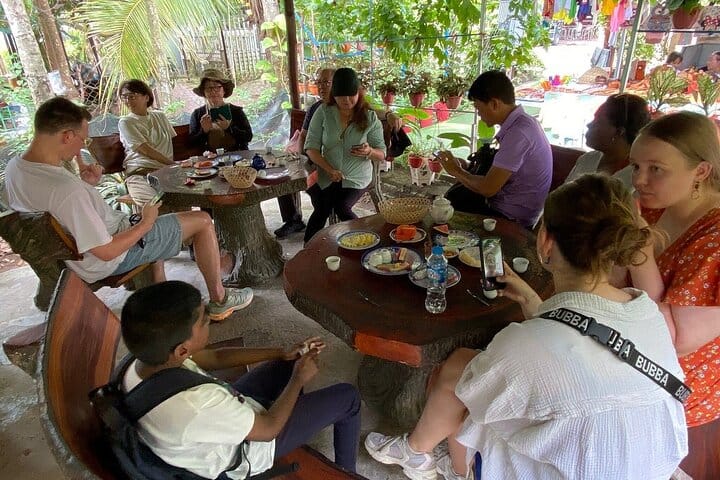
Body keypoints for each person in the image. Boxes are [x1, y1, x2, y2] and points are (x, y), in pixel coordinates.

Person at [365, 174, 687, 480]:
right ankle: (418, 451)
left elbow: (496, 376)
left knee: (457, 381)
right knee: (472, 373)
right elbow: (584, 348)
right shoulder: (647, 313)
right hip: (648, 467)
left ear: (545, 241)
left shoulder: (523, 344)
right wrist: (535, 303)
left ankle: (433, 458)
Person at [4, 97, 252, 322]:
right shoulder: (66, 190)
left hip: (76, 254)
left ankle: (160, 293)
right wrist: (145, 223)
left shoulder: (16, 168)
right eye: (83, 140)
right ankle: (220, 299)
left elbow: (62, 207)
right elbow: (107, 251)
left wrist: (86, 185)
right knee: (202, 220)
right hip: (107, 259)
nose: (81, 148)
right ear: (67, 136)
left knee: (160, 218)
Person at [120, 280, 361, 479]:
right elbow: (268, 430)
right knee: (348, 397)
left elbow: (214, 357)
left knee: (288, 365)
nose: (209, 318)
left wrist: (281, 353)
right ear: (182, 350)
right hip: (248, 451)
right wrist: (298, 379)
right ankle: (346, 473)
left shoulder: (142, 360)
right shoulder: (196, 404)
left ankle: (297, 418)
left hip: (222, 416)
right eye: (204, 321)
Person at [627, 111, 720, 477]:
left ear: (701, 171)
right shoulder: (655, 210)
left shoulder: (714, 238)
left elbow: (674, 339)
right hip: (631, 355)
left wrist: (638, 249)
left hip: (678, 396)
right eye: (636, 167)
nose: (639, 180)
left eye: (656, 169)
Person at [437, 70, 552, 229]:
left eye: (478, 108)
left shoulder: (519, 133)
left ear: (494, 104)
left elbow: (488, 188)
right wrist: (466, 166)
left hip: (511, 217)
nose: (479, 114)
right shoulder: (524, 123)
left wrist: (456, 171)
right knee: (453, 198)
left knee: (443, 210)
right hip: (509, 205)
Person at [303, 67, 386, 244]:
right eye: (341, 96)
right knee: (322, 207)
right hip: (328, 175)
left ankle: (365, 242)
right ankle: (308, 250)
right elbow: (310, 147)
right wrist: (329, 169)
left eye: (351, 95)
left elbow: (382, 153)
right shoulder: (323, 112)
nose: (347, 101)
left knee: (341, 206)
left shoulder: (369, 117)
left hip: (356, 177)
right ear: (334, 95)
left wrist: (369, 151)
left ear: (359, 93)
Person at [273, 68, 338, 239]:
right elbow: (303, 135)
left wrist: (390, 114)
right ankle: (293, 220)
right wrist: (304, 159)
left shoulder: (346, 105)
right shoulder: (315, 107)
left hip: (334, 164)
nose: (321, 86)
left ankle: (321, 232)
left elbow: (370, 112)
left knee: (320, 197)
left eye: (326, 82)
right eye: (319, 82)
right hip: (314, 159)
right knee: (282, 174)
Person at [565, 93, 650, 188]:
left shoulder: (637, 178)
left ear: (619, 131)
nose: (589, 125)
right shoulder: (587, 159)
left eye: (597, 121)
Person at [117, 79, 176, 206]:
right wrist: (173, 164)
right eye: (124, 97)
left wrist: (176, 167)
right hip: (140, 172)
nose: (127, 101)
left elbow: (172, 143)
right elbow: (145, 150)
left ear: (146, 97)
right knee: (154, 204)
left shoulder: (160, 116)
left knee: (186, 198)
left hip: (165, 172)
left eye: (132, 96)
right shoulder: (126, 122)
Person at [188, 69, 253, 152]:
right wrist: (203, 131)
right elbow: (191, 143)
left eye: (217, 87)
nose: (213, 91)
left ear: (224, 90)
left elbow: (248, 137)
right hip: (210, 158)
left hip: (238, 156)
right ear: (204, 92)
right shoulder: (197, 114)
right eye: (209, 88)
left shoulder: (236, 111)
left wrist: (229, 127)